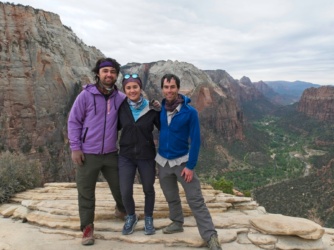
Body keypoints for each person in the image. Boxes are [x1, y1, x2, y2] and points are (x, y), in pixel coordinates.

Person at [155, 74, 222, 250]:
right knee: (171, 197)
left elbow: (196, 140)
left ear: (178, 88)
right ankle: (177, 223)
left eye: (172, 87)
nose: (169, 90)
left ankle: (210, 236)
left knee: (196, 200)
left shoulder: (190, 111)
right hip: (163, 163)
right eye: (166, 87)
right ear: (162, 89)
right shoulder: (159, 108)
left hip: (183, 163)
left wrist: (190, 166)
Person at [67, 57, 127, 246]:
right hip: (88, 153)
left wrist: (155, 106)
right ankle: (87, 227)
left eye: (112, 71)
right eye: (105, 71)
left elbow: (138, 104)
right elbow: (74, 121)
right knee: (85, 192)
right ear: (98, 74)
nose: (109, 74)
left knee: (120, 186)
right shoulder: (85, 96)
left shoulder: (120, 98)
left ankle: (121, 209)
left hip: (110, 153)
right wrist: (75, 147)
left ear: (116, 75)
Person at [118, 74, 160, 235]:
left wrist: (161, 110)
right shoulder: (121, 108)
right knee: (125, 190)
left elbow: (164, 127)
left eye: (135, 87)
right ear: (125, 90)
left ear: (140, 88)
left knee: (148, 188)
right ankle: (131, 216)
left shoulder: (151, 108)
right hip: (126, 156)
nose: (132, 90)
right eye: (128, 88)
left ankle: (148, 217)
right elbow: (112, 126)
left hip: (146, 155)